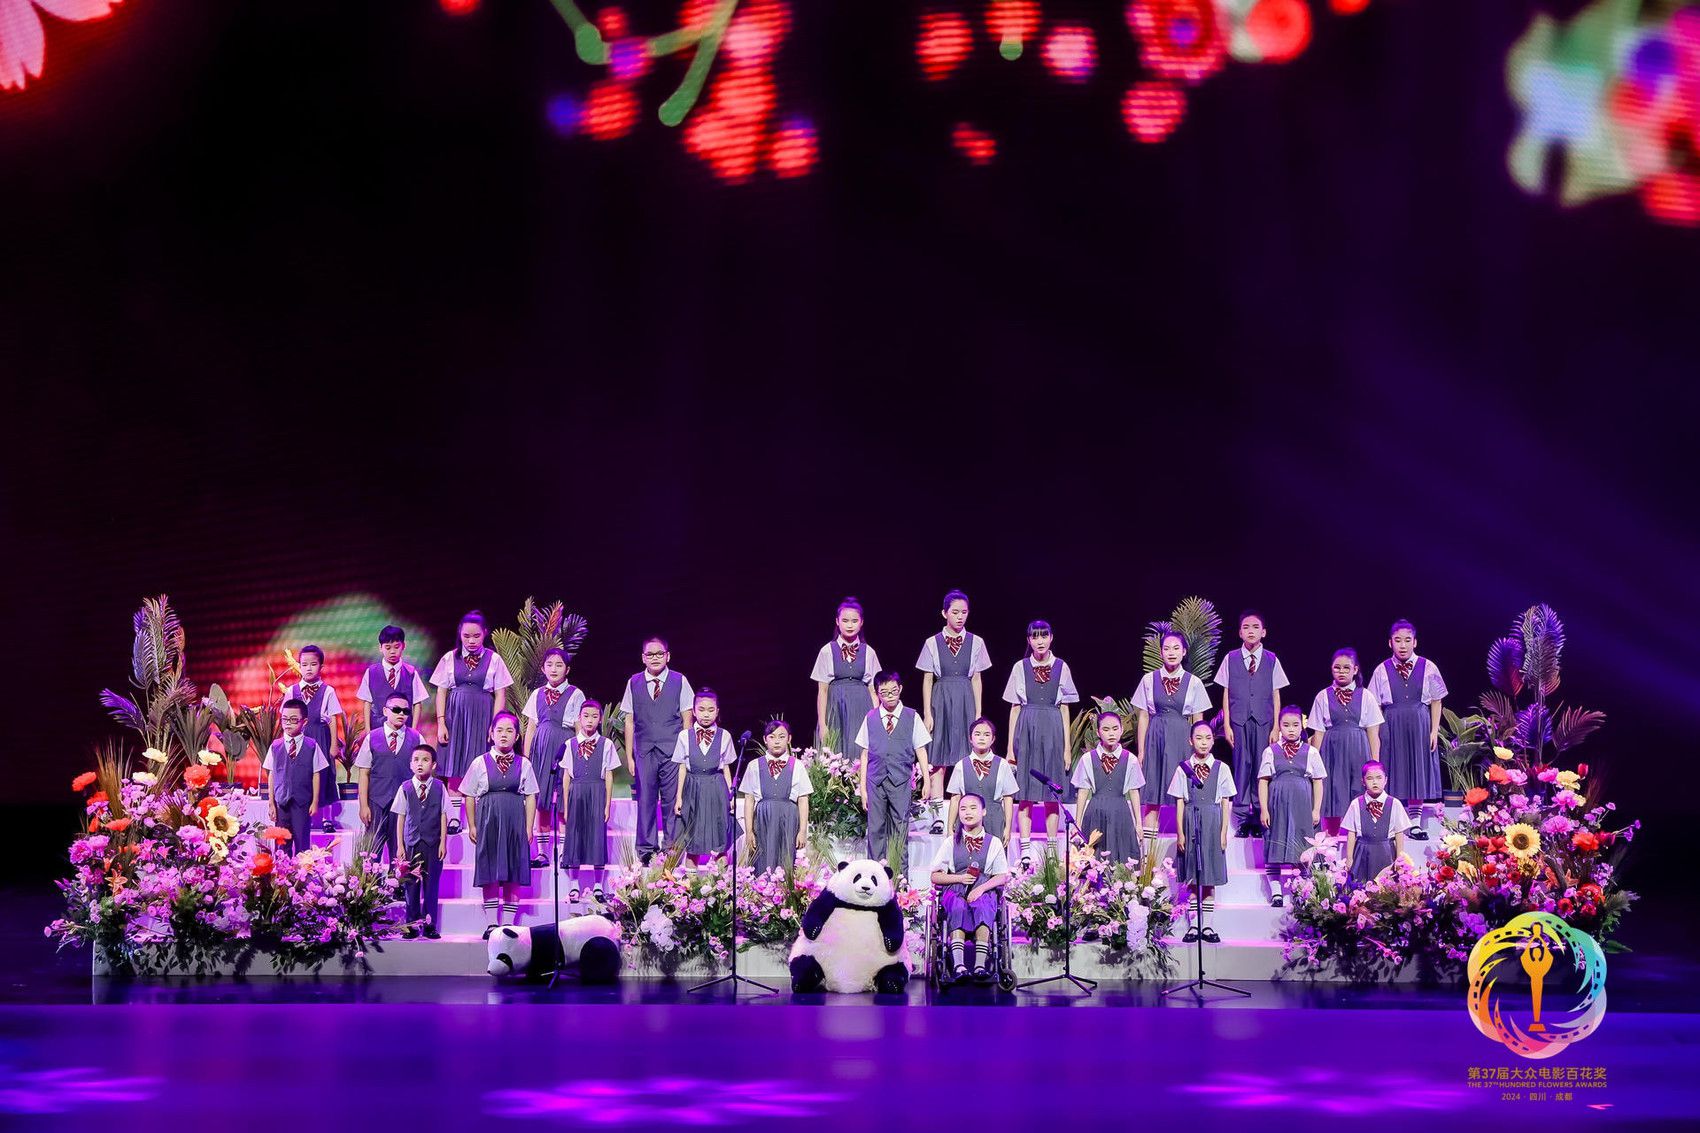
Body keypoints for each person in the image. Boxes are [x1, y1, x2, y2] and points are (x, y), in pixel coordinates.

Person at [1003, 620, 1078, 871]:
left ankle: (1052, 849)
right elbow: (1014, 708)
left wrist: (1067, 748)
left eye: (1044, 636)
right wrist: (1010, 748)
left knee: (1051, 795)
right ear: (1029, 640)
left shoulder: (1061, 667)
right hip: (1027, 729)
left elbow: (1065, 708)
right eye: (1035, 637)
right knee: (1025, 793)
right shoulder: (1020, 667)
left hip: (1053, 729)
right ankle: (1025, 850)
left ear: (1051, 638)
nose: (1040, 641)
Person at [916, 589, 991, 835]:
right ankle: (938, 817)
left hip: (965, 698)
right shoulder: (932, 642)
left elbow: (977, 679)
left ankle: (968, 815)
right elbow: (927, 679)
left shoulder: (976, 642)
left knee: (966, 759)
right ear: (944, 613)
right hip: (941, 699)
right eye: (955, 612)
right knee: (938, 760)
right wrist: (928, 713)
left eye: (964, 612)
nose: (960, 617)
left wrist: (978, 713)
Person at [430, 611, 513, 834]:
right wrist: (441, 722)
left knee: (480, 766)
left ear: (484, 634)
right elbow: (441, 692)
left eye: (476, 636)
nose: (471, 640)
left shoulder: (494, 659)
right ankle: (454, 819)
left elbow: (500, 694)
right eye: (466, 636)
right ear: (460, 634)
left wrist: (495, 725)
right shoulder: (449, 658)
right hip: (455, 716)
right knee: (454, 766)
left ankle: (478, 819)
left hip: (483, 714)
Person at [1367, 620, 1447, 841]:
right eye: (1398, 640)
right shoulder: (1381, 670)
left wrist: (1433, 731)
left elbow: (1437, 701)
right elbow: (1374, 705)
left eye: (1407, 640)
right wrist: (1376, 735)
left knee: (1416, 769)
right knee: (1392, 769)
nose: (1402, 645)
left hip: (1419, 723)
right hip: (1390, 724)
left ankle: (1415, 823)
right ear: (1390, 643)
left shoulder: (1429, 667)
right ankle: (1392, 824)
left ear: (1415, 642)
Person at [1213, 610, 1289, 835]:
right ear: (1240, 633)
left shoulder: (1272, 659)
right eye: (1246, 627)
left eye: (1255, 627)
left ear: (1263, 632)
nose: (1251, 631)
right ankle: (1241, 818)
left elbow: (1276, 694)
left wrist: (1276, 726)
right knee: (1241, 767)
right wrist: (1227, 725)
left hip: (1264, 721)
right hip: (1239, 721)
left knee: (1261, 767)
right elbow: (1226, 693)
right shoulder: (1231, 658)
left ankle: (1258, 817)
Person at [462, 712, 538, 938]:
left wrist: (529, 827)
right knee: (489, 868)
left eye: (509, 731)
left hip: (515, 819)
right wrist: (472, 825)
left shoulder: (524, 763)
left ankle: (508, 924)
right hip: (489, 819)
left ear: (517, 736)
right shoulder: (479, 762)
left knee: (513, 868)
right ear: (491, 734)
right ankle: (491, 924)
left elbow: (531, 796)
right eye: (499, 730)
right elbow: (469, 795)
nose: (504, 735)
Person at [619, 637, 694, 863]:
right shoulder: (634, 682)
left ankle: (671, 850)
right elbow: (629, 721)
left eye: (659, 653)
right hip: (644, 751)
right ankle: (646, 850)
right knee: (646, 801)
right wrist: (630, 756)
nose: (655, 658)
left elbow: (687, 718)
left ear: (668, 656)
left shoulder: (679, 681)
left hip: (673, 751)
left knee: (672, 802)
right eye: (650, 654)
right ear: (643, 658)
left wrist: (685, 753)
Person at [855, 669, 932, 878]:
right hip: (875, 781)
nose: (889, 696)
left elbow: (920, 749)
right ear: (877, 693)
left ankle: (900, 879)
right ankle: (874, 877)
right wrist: (863, 788)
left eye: (893, 691)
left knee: (900, 829)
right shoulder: (870, 717)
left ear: (901, 689)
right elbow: (864, 753)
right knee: (875, 829)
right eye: (884, 692)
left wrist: (927, 780)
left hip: (900, 781)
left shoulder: (911, 716)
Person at [928, 793, 1012, 984]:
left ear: (983, 812)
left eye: (973, 808)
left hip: (984, 888)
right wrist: (959, 878)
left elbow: (1002, 876)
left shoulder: (994, 842)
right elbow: (935, 876)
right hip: (955, 887)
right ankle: (959, 966)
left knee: (983, 906)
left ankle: (980, 966)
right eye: (963, 808)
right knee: (957, 907)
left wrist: (981, 889)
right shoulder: (951, 842)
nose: (967, 812)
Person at [1133, 631, 1210, 835]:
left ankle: (1184, 841)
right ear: (1160, 653)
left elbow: (1198, 720)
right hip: (1155, 737)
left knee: (1182, 792)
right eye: (1166, 648)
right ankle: (1150, 849)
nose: (1171, 652)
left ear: (1184, 652)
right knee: (1152, 793)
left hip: (1181, 738)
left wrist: (1198, 751)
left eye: (1176, 648)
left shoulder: (1194, 682)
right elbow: (1143, 716)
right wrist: (1141, 751)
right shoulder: (1148, 680)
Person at [1169, 721, 1234, 944]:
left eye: (1208, 738)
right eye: (1199, 738)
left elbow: (1225, 802)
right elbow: (1179, 801)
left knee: (1209, 877)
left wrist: (1223, 832)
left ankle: (1207, 926)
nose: (1203, 742)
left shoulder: (1222, 768)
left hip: (1213, 820)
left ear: (1213, 741)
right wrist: (1180, 832)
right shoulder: (1183, 768)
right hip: (1190, 819)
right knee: (1193, 877)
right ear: (1191, 741)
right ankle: (1194, 925)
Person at [1308, 648, 1384, 832]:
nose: (1341, 671)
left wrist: (1375, 764)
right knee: (1332, 791)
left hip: (1359, 748)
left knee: (1358, 789)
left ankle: (1358, 837)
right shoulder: (1323, 696)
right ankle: (1331, 838)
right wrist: (1313, 763)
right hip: (1332, 749)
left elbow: (1373, 733)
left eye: (1346, 668)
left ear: (1355, 670)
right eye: (1337, 668)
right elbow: (1318, 733)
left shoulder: (1366, 696)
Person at [1257, 705, 1325, 907]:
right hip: (1277, 804)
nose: (1291, 729)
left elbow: (1318, 781)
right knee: (1275, 846)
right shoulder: (1271, 751)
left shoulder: (1311, 752)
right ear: (1279, 726)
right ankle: (1276, 893)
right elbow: (1263, 780)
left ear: (1301, 726)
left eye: (1295, 725)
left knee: (1303, 848)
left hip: (1302, 804)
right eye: (1286, 725)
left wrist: (1316, 809)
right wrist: (1264, 809)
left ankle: (1302, 891)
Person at [522, 647, 583, 866]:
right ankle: (543, 853)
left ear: (567, 669)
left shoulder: (575, 694)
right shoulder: (537, 694)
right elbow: (531, 727)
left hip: (563, 751)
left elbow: (579, 728)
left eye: (559, 665)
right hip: (540, 753)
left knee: (562, 800)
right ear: (543, 668)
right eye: (549, 665)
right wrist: (526, 758)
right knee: (542, 800)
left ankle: (564, 852)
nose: (554, 669)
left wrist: (579, 757)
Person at [561, 701, 621, 906]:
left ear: (600, 719)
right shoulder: (570, 744)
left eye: (594, 716)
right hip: (577, 791)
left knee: (597, 838)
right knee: (574, 838)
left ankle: (598, 886)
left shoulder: (606, 744)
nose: (589, 720)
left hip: (597, 791)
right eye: (586, 716)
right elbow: (566, 776)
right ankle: (574, 885)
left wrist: (607, 804)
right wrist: (566, 806)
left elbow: (609, 775)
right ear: (579, 718)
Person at [737, 720, 813, 878]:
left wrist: (802, 830)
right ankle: (760, 890)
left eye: (781, 736)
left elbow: (803, 799)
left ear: (789, 739)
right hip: (763, 819)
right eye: (772, 737)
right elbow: (749, 799)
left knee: (786, 859)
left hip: (788, 818)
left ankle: (785, 891)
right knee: (762, 859)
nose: (777, 741)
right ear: (765, 740)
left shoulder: (797, 765)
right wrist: (749, 831)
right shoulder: (754, 765)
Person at [671, 688, 736, 862]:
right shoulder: (684, 736)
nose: (706, 714)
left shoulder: (724, 736)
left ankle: (719, 878)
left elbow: (726, 768)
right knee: (693, 838)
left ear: (717, 711)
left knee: (719, 836)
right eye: (701, 709)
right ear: (693, 711)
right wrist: (679, 798)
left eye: (710, 710)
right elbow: (682, 768)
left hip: (716, 787)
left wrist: (730, 796)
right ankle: (691, 879)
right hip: (693, 788)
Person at [284, 644, 344, 834]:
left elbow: (333, 718)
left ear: (321, 667)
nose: (308, 668)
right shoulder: (292, 691)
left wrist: (334, 745)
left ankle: (327, 818)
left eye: (313, 664)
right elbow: (284, 718)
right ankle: (300, 816)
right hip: (299, 740)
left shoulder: (328, 691)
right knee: (301, 777)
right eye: (304, 664)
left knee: (325, 775)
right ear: (299, 666)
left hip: (320, 737)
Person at [1072, 709, 1144, 865]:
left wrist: (1139, 824)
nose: (1111, 733)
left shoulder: (1130, 759)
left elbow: (1134, 792)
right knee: (1093, 859)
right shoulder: (1087, 759)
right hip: (1095, 812)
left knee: (1122, 858)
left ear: (1121, 730)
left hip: (1121, 813)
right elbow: (1083, 791)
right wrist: (1077, 823)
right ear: (1098, 732)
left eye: (1115, 728)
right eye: (1106, 729)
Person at [355, 692, 420, 862]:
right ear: (385, 711)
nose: (401, 714)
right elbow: (364, 773)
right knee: (371, 853)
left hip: (405, 805)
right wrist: (363, 805)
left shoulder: (417, 738)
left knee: (400, 854)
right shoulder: (372, 738)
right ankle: (371, 880)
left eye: (406, 711)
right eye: (396, 710)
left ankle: (396, 880)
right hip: (377, 802)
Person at [811, 597, 880, 758]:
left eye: (854, 621)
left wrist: (877, 719)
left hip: (861, 707)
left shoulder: (869, 652)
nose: (850, 625)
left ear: (861, 623)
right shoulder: (827, 651)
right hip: (835, 707)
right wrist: (822, 723)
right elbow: (822, 691)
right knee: (833, 753)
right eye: (845, 620)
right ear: (837, 621)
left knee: (860, 753)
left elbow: (873, 691)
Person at [391, 744, 448, 938]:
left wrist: (443, 842)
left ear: (433, 765)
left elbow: (443, 815)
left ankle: (430, 925)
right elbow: (400, 816)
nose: (420, 764)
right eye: (416, 760)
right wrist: (400, 845)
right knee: (411, 886)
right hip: (411, 844)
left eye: (425, 760)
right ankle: (411, 925)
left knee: (431, 887)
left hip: (433, 844)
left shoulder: (439, 787)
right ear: (410, 764)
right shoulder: (405, 788)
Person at [265, 698, 328, 853]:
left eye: (293, 720)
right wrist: (271, 802)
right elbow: (271, 774)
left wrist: (315, 801)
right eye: (285, 719)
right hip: (282, 803)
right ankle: (282, 868)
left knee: (302, 843)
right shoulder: (275, 746)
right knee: (282, 844)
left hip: (302, 802)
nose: (288, 723)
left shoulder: (312, 745)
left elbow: (316, 774)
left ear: (304, 722)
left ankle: (302, 868)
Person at [944, 718, 1017, 842]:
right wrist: (950, 827)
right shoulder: (961, 765)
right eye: (977, 734)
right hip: (967, 822)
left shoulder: (1003, 765)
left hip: (994, 822)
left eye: (986, 734)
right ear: (970, 738)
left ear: (993, 739)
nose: (982, 738)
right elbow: (955, 798)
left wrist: (1008, 828)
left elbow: (1008, 798)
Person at [1342, 761, 1410, 886]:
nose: (1375, 782)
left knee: (1385, 888)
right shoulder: (1356, 804)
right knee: (1360, 886)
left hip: (1386, 852)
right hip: (1362, 853)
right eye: (1370, 778)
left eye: (1379, 778)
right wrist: (1349, 858)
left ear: (1385, 780)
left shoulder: (1394, 804)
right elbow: (1351, 832)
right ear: (1363, 781)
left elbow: (1399, 833)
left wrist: (1399, 859)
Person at [356, 625, 430, 729]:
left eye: (396, 647)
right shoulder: (371, 672)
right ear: (380, 647)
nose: (392, 652)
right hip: (378, 729)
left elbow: (417, 703)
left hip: (405, 730)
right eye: (388, 647)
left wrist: (413, 731)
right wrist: (369, 732)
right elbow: (367, 703)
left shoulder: (411, 672)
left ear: (403, 646)